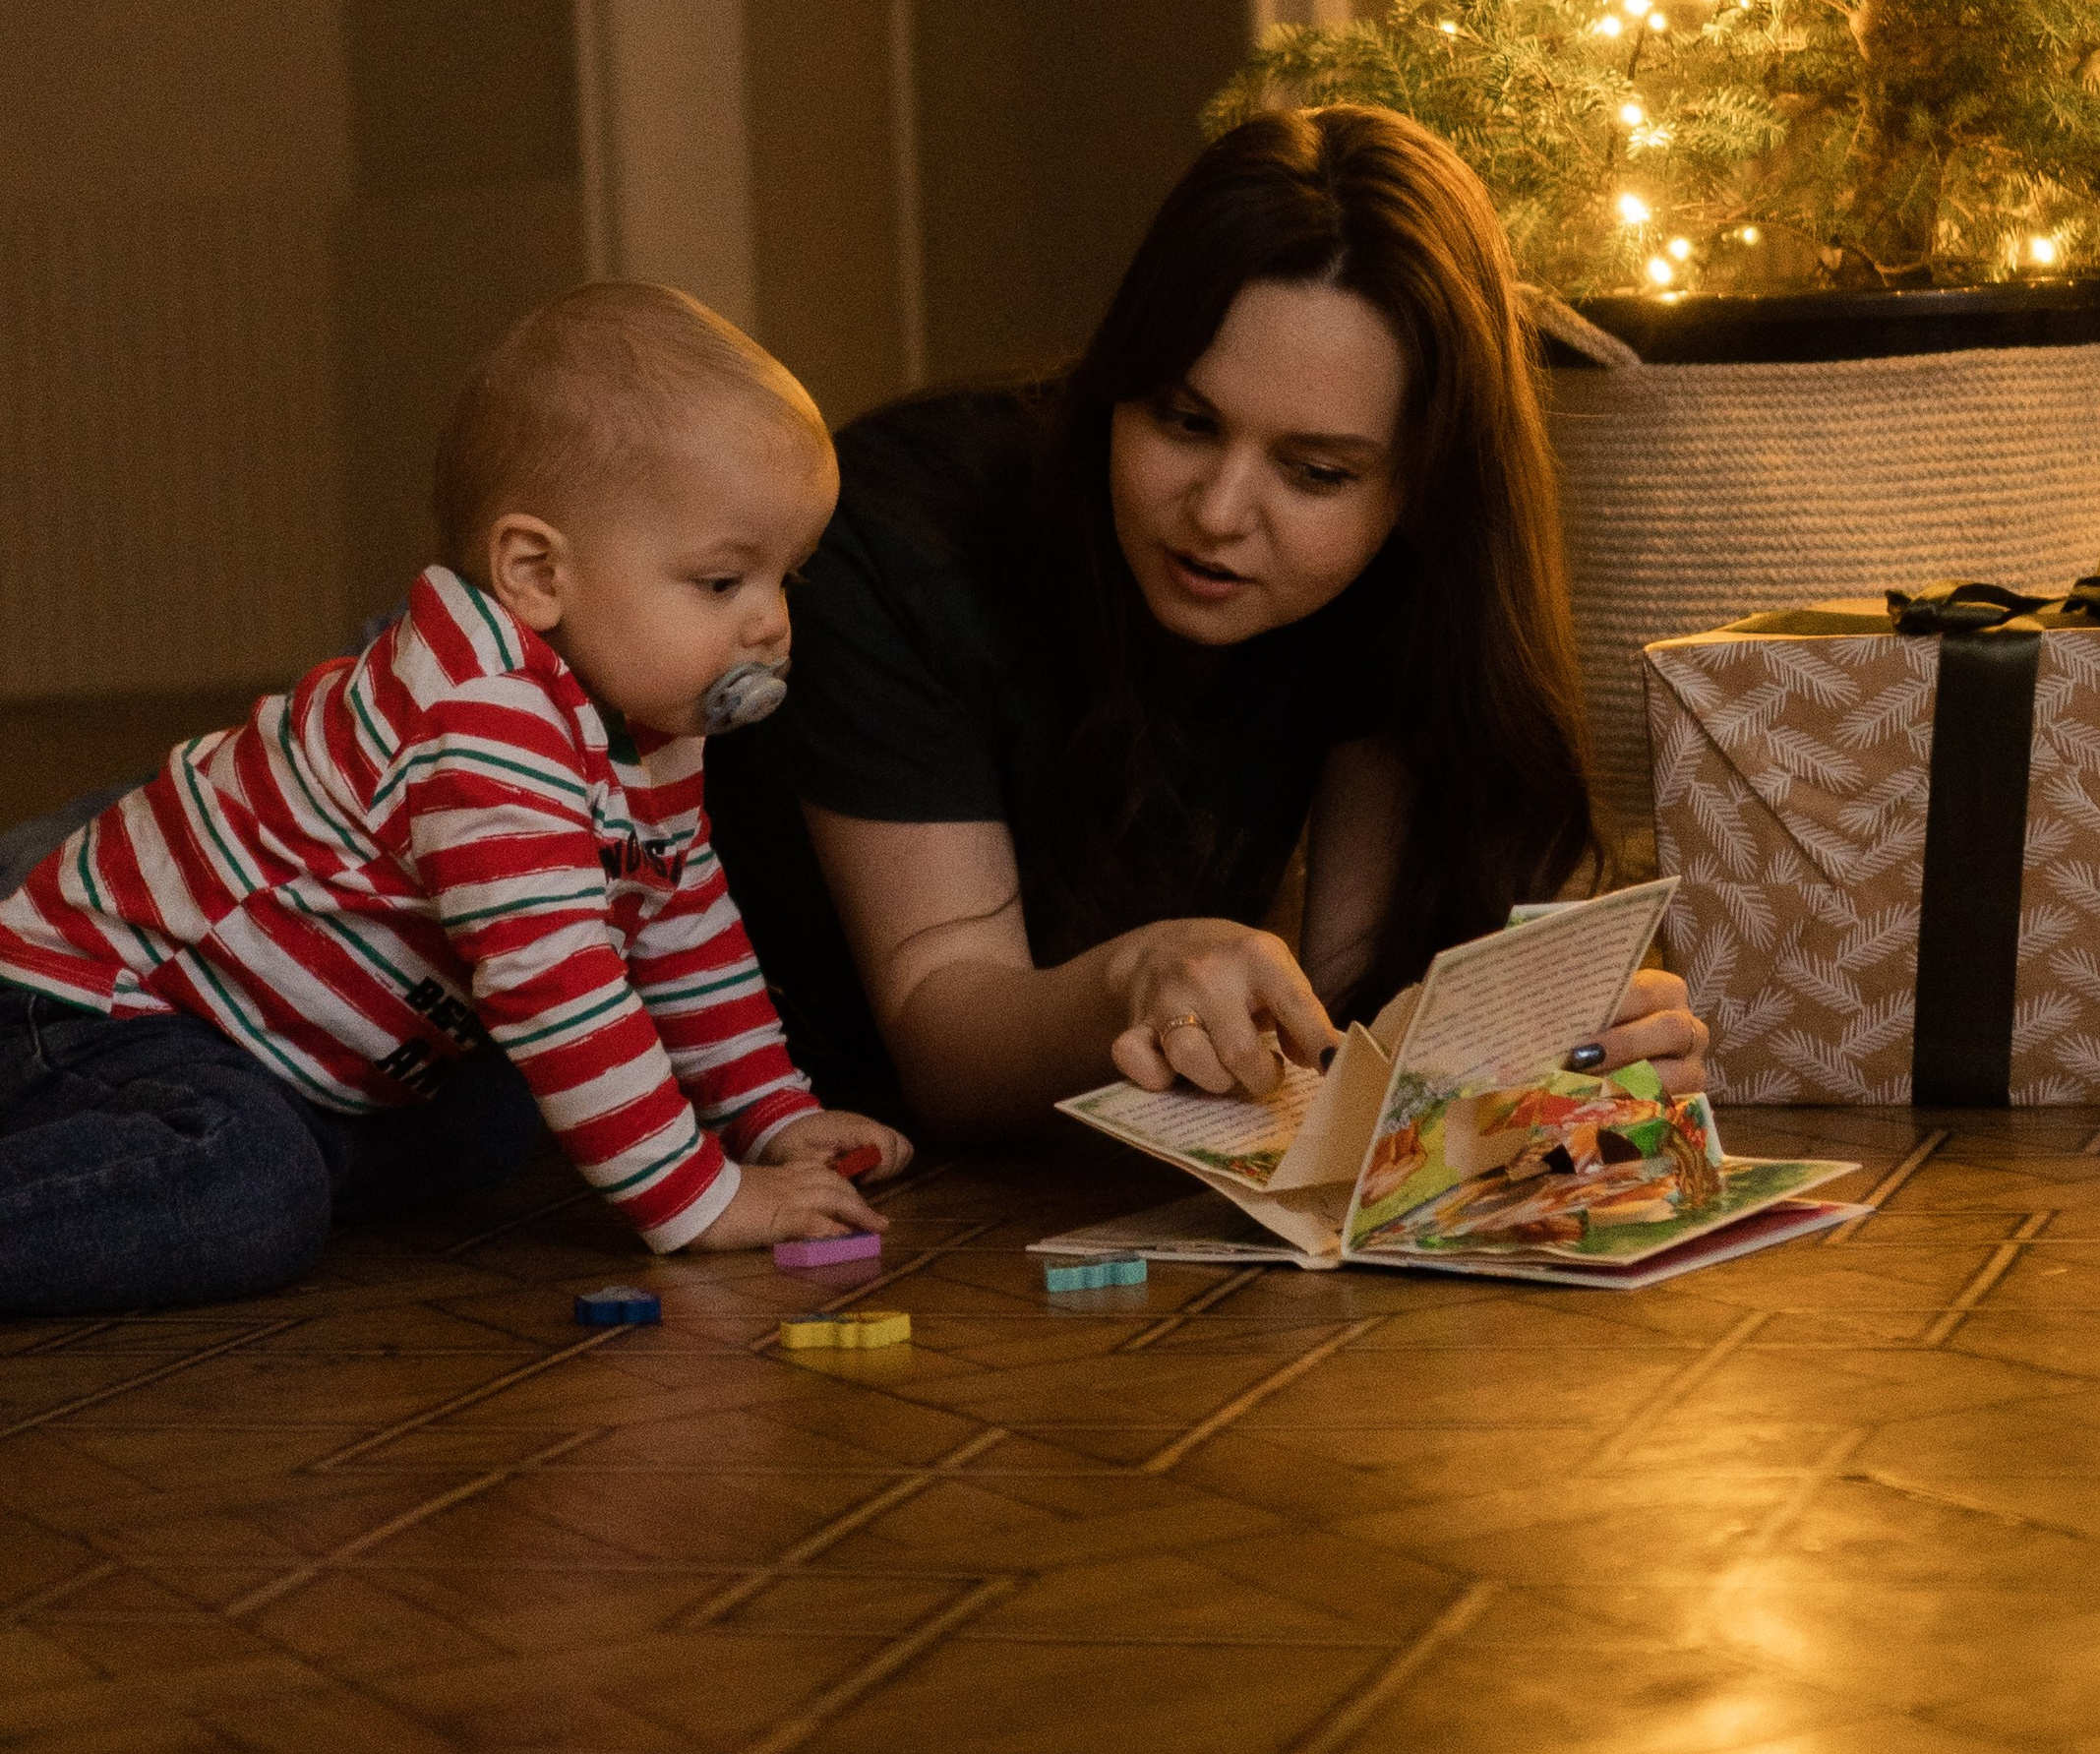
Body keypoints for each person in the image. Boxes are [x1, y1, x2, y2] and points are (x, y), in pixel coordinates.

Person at [707, 106, 1710, 1135]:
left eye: (1314, 472)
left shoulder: (1403, 581)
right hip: (791, 1148)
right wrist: (1136, 973)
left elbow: (1349, 1012)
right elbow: (944, 1033)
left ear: (1420, 491)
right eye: (1185, 422)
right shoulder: (895, 537)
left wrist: (1534, 1040)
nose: (1220, 514)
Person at [0, 284, 908, 1316]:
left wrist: (774, 1117)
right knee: (248, 1193)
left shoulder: (647, 719)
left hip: (290, 1050)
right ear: (536, 573)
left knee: (494, 1119)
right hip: (103, 1010)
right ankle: (222, 1161)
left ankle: (279, 1146)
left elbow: (683, 931)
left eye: (788, 578)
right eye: (721, 583)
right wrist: (699, 1200)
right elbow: (555, 983)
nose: (771, 624)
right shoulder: (481, 721)